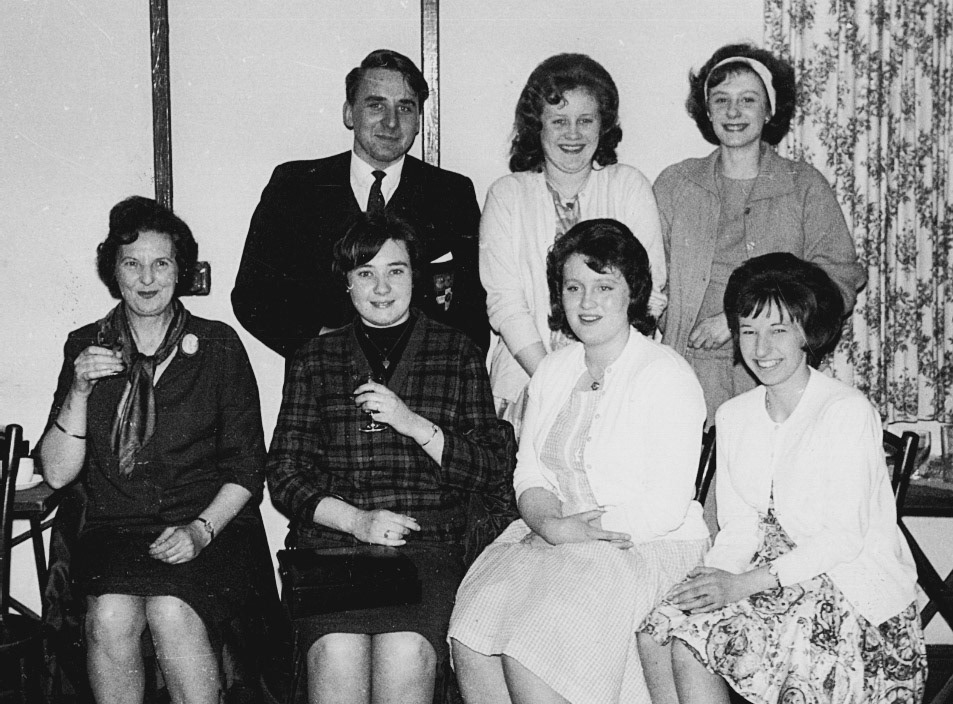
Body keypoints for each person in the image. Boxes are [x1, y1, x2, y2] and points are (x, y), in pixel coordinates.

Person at [640, 253, 926, 704]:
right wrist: (711, 580)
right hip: (767, 576)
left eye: (778, 329)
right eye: (748, 330)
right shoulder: (734, 415)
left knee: (694, 646)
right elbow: (739, 527)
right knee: (659, 630)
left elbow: (843, 539)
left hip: (847, 588)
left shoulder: (845, 411)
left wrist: (741, 586)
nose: (761, 347)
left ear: (806, 333)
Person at [449, 219, 709, 704]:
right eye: (574, 287)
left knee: (533, 648)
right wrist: (550, 525)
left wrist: (579, 535)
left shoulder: (666, 374)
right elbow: (529, 474)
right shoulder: (554, 368)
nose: (587, 302)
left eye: (604, 286)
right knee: (472, 631)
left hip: (643, 544)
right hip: (555, 535)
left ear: (633, 293)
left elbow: (665, 505)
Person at [266, 214, 515, 704]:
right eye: (365, 273)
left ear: (416, 277)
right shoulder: (314, 358)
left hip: (427, 549)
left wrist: (414, 424)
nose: (381, 287)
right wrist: (356, 520)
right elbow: (285, 475)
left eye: (396, 271)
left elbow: (492, 470)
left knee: (407, 652)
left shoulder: (459, 353)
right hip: (334, 549)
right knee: (335, 653)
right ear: (347, 281)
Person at [38, 197, 269, 704]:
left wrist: (200, 531)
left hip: (211, 524)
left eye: (161, 263)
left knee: (171, 609)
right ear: (112, 271)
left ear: (180, 271)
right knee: (112, 615)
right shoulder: (85, 346)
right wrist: (78, 389)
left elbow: (246, 468)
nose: (147, 278)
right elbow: (56, 472)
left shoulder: (218, 346)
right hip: (116, 530)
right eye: (132, 263)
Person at [232, 48, 488, 363]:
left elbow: (474, 308)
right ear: (349, 113)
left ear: (419, 122)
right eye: (376, 104)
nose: (391, 122)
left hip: (423, 387)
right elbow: (253, 295)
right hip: (321, 383)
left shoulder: (451, 194)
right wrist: (326, 345)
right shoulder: (296, 186)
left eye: (405, 107)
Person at [656, 43, 866, 425]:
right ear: (707, 111)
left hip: (776, 366)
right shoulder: (676, 184)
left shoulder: (804, 185)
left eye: (748, 99)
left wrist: (737, 320)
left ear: (769, 109)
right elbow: (648, 277)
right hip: (690, 366)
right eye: (721, 100)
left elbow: (839, 279)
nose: (733, 112)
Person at [480, 53, 666, 430]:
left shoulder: (628, 186)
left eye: (585, 120)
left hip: (620, 383)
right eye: (559, 121)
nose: (573, 134)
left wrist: (603, 378)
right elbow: (505, 304)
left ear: (603, 125)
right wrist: (554, 379)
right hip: (525, 383)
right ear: (537, 127)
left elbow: (649, 291)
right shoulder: (507, 195)